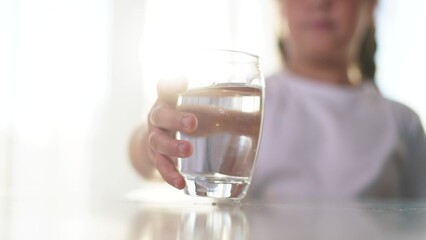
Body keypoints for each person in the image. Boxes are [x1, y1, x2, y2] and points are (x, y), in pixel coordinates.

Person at [129, 0, 426, 200]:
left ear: (371, 7)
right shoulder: (241, 102)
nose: (320, 3)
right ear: (279, 8)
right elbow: (146, 152)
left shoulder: (402, 122)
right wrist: (157, 144)